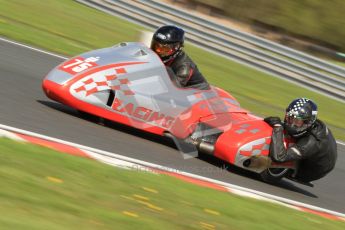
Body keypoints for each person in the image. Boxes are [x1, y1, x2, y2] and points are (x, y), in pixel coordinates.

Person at [264, 98, 337, 183]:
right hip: (322, 147)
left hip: (314, 168)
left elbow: (279, 157)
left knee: (281, 153)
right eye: (290, 118)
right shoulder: (309, 124)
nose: (292, 124)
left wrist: (277, 127)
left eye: (297, 121)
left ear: (307, 122)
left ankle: (295, 171)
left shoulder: (310, 143)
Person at [150, 25, 210, 90]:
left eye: (165, 49)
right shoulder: (156, 56)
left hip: (196, 94)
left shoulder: (184, 67)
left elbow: (173, 89)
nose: (158, 51)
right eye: (157, 46)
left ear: (176, 48)